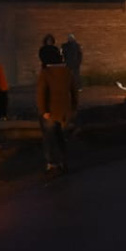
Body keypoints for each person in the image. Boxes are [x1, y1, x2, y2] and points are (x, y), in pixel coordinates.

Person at [37, 44, 78, 177]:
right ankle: (63, 162)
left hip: (50, 111)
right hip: (65, 111)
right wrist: (73, 108)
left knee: (49, 138)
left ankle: (51, 164)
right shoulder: (67, 71)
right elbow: (74, 91)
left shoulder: (46, 73)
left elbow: (42, 93)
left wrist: (43, 110)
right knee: (61, 138)